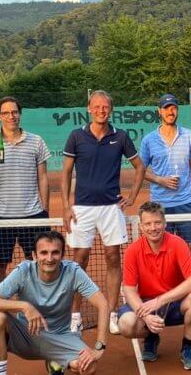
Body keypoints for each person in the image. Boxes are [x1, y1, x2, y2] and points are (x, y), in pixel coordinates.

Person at [0, 231, 111, 375]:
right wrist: (24, 306)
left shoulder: (73, 271)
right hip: (27, 335)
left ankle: (55, 365)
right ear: (34, 255)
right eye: (44, 253)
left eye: (55, 252)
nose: (49, 258)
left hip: (61, 337)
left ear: (62, 255)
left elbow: (102, 304)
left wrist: (99, 346)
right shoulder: (23, 271)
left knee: (88, 369)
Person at [61, 90, 145, 336]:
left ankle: (111, 314)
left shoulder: (120, 137)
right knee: (79, 261)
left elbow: (139, 167)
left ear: (111, 109)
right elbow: (66, 172)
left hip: (111, 208)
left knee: (112, 258)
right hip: (82, 208)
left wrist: (132, 196)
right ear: (89, 108)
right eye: (96, 107)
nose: (101, 110)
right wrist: (66, 206)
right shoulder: (76, 136)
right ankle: (75, 315)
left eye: (105, 107)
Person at [116, 202, 191, 370]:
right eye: (148, 224)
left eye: (157, 222)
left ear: (165, 223)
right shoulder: (132, 251)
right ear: (141, 226)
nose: (153, 228)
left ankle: (187, 347)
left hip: (173, 303)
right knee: (126, 325)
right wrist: (145, 316)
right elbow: (129, 290)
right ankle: (151, 336)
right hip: (145, 304)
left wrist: (160, 301)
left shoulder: (178, 244)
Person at [0, 96, 52, 290]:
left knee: (37, 263)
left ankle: (38, 304)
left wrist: (45, 211)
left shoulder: (36, 141)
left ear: (20, 114)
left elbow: (43, 177)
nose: (11, 116)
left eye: (15, 112)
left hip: (33, 215)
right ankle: (0, 312)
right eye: (6, 113)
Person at [139, 94, 191, 263]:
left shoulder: (188, 135)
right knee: (161, 249)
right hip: (160, 204)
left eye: (173, 108)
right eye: (166, 108)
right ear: (159, 111)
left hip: (187, 202)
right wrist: (160, 180)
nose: (170, 111)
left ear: (177, 111)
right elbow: (140, 170)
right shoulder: (148, 140)